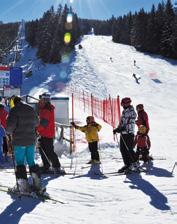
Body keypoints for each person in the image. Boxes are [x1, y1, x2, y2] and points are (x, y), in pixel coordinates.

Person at [6, 96, 41, 193]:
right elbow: (37, 123)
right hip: (31, 140)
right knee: (31, 160)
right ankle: (37, 183)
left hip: (19, 141)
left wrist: (8, 131)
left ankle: (23, 186)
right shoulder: (30, 109)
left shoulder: (14, 110)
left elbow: (9, 128)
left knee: (20, 162)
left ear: (14, 103)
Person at [37, 93, 62, 174]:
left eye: (41, 99)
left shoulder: (47, 109)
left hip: (47, 133)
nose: (40, 100)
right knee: (42, 150)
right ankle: (46, 165)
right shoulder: (45, 108)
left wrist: (37, 129)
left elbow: (44, 123)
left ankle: (56, 166)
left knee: (49, 151)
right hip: (45, 133)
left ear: (44, 100)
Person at [113, 97, 137, 173]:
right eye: (122, 103)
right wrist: (118, 128)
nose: (122, 104)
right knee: (122, 149)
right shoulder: (124, 111)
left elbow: (131, 123)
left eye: (123, 103)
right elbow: (122, 122)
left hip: (129, 133)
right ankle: (127, 164)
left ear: (127, 103)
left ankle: (134, 164)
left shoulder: (131, 112)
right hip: (123, 133)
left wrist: (124, 129)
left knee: (129, 149)